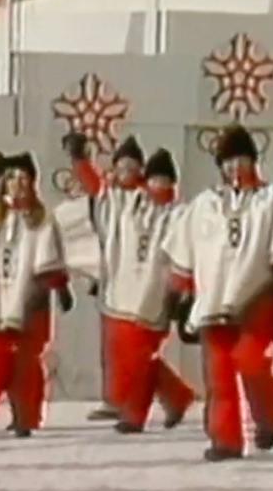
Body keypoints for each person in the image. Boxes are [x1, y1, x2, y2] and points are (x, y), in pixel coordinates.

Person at [162, 124, 273, 461]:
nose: (234, 168)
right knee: (219, 373)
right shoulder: (203, 205)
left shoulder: (272, 199)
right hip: (213, 299)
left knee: (248, 358)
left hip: (258, 295)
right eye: (227, 161)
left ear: (253, 161)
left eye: (240, 159)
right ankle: (225, 440)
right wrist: (178, 295)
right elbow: (184, 255)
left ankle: (268, 411)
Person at [64, 133, 195, 433]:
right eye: (154, 179)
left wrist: (183, 291)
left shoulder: (178, 214)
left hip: (153, 297)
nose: (157, 185)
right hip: (120, 293)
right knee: (133, 359)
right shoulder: (127, 203)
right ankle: (175, 396)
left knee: (140, 359)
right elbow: (95, 187)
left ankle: (135, 415)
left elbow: (187, 253)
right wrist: (80, 160)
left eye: (164, 180)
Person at [0, 152, 72, 438]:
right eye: (11, 178)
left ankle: (26, 417)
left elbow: (50, 260)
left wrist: (54, 288)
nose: (17, 184)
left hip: (31, 301)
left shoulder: (42, 219)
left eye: (23, 178)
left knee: (26, 363)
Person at [67, 134, 148, 422]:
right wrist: (78, 157)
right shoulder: (109, 196)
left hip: (141, 284)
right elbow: (90, 181)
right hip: (112, 281)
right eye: (122, 166)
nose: (126, 172)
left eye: (132, 167)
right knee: (113, 347)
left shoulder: (148, 198)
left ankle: (161, 396)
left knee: (139, 350)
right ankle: (114, 399)